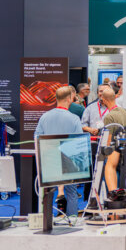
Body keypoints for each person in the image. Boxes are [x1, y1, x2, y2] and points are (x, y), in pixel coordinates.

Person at [34, 85, 84, 216]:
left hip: (49, 160)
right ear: (69, 99)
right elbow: (78, 142)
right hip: (68, 161)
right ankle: (72, 220)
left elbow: (37, 138)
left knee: (47, 192)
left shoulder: (45, 117)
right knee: (72, 193)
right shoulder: (74, 118)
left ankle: (46, 220)